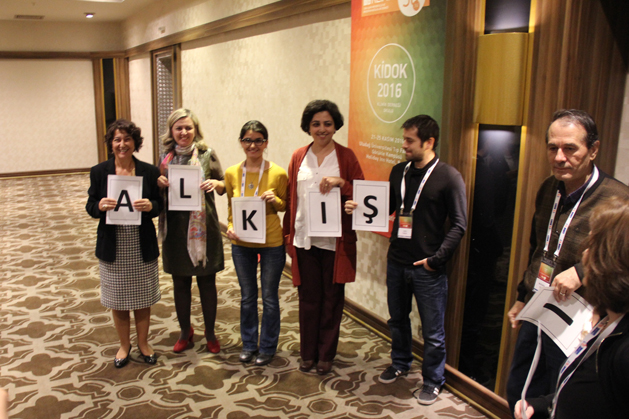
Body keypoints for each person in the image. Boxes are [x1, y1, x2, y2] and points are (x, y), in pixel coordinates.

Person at [505, 110, 629, 415]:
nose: (559, 157)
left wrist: (582, 272)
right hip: (539, 304)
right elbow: (538, 247)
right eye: (553, 148)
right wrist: (522, 295)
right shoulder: (549, 187)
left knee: (561, 394)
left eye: (570, 148)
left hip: (580, 316)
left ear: (593, 150)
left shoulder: (617, 199)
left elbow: (623, 256)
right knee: (520, 390)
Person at [346, 114, 467, 405]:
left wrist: (436, 260)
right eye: (404, 139)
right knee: (397, 320)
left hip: (427, 268)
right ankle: (400, 362)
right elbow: (386, 206)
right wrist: (358, 207)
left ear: (429, 142)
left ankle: (433, 381)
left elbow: (459, 224)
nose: (404, 145)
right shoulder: (399, 171)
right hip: (396, 260)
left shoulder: (448, 176)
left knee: (433, 332)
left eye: (409, 141)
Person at [514, 196, 629, 419]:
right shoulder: (609, 322)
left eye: (593, 246)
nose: (584, 255)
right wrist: (543, 405)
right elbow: (589, 391)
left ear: (615, 264)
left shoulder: (624, 352)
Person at [283, 99, 364, 375]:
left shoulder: (346, 157)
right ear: (308, 126)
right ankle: (308, 354)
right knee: (308, 300)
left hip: (334, 243)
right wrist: (288, 235)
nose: (322, 129)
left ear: (335, 126)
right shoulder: (298, 156)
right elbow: (290, 198)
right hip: (305, 239)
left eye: (327, 124)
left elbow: (363, 194)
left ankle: (326, 355)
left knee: (332, 300)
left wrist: (343, 184)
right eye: (316, 124)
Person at [86, 119, 162, 368]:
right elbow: (90, 205)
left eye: (127, 139)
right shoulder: (99, 171)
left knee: (142, 298)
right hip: (113, 243)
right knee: (117, 298)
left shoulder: (149, 171)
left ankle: (143, 343)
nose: (122, 144)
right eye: (117, 139)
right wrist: (99, 205)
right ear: (111, 143)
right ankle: (124, 345)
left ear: (135, 143)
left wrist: (151, 206)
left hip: (140, 242)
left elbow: (159, 205)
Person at [157, 108, 225, 354]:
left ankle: (210, 333)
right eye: (179, 128)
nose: (184, 132)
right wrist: (158, 183)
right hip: (175, 229)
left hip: (204, 230)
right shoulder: (165, 159)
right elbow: (156, 194)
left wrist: (216, 183)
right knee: (180, 282)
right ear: (171, 131)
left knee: (207, 282)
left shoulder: (207, 155)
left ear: (195, 130)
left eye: (188, 127)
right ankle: (185, 331)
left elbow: (225, 185)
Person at [224, 120, 288, 366]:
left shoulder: (278, 173)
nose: (253, 145)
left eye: (258, 140)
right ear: (241, 142)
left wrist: (275, 201)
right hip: (242, 244)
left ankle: (268, 347)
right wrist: (230, 227)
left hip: (271, 242)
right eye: (248, 140)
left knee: (270, 297)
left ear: (266, 143)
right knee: (248, 296)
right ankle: (249, 344)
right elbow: (231, 208)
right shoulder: (231, 173)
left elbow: (286, 205)